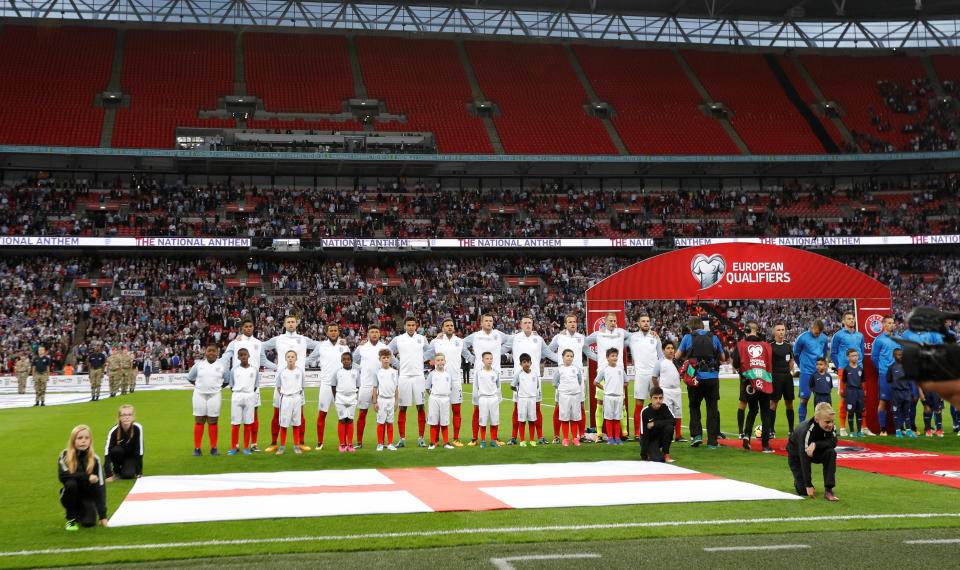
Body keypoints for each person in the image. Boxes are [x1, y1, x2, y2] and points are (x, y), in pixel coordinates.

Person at [262, 315, 321, 452]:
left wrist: (305, 361)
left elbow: (319, 345)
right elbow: (259, 346)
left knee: (300, 415)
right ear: (284, 324)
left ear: (296, 324)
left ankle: (300, 442)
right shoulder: (278, 339)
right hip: (281, 382)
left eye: (293, 322)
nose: (290, 324)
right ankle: (273, 443)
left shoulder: (303, 339)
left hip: (297, 383)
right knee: (276, 414)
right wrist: (272, 365)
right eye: (288, 322)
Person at [219, 317, 276, 452]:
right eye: (246, 327)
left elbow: (264, 361)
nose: (248, 329)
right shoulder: (235, 343)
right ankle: (236, 446)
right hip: (238, 386)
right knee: (237, 418)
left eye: (250, 326)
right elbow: (225, 358)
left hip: (253, 385)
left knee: (254, 415)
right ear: (242, 329)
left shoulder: (258, 343)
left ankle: (253, 444)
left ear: (253, 328)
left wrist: (279, 367)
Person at [506, 316, 558, 445]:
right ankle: (514, 437)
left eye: (530, 323)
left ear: (533, 325)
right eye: (525, 323)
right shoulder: (514, 338)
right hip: (520, 380)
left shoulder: (538, 339)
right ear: (520, 325)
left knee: (537, 409)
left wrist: (563, 361)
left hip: (535, 379)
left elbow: (548, 353)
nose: (528, 325)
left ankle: (540, 437)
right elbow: (501, 346)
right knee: (517, 410)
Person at [676, 317, 725, 448]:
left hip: (695, 378)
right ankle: (712, 442)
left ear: (691, 327)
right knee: (712, 409)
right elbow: (723, 357)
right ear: (702, 326)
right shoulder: (713, 337)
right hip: (712, 377)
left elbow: (677, 356)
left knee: (694, 407)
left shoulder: (687, 337)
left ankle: (696, 436)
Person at [463, 314, 511, 446]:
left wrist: (501, 351)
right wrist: (472, 359)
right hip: (480, 375)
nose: (489, 323)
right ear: (481, 323)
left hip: (495, 374)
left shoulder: (498, 334)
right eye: (486, 321)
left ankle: (494, 437)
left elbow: (512, 340)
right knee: (477, 407)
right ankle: (475, 437)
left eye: (491, 320)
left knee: (494, 408)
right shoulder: (475, 336)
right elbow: (461, 345)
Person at [389, 316, 435, 448]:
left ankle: (421, 438)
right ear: (404, 326)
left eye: (413, 325)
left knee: (420, 406)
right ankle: (402, 439)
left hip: (419, 377)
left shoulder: (421, 339)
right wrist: (397, 363)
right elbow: (388, 351)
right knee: (403, 407)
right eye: (408, 325)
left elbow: (431, 352)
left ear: (416, 326)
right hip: (404, 376)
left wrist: (422, 358)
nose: (410, 327)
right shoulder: (398, 339)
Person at [731, 320, 774, 453]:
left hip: (749, 382)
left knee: (752, 410)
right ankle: (765, 445)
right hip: (765, 380)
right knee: (765, 413)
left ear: (746, 330)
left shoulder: (741, 345)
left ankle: (747, 435)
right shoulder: (767, 346)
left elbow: (736, 363)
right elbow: (769, 364)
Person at [308, 322, 350, 451]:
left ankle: (343, 443)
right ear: (326, 332)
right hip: (326, 385)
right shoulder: (321, 346)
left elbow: (350, 365)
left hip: (341, 387)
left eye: (335, 330)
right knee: (322, 414)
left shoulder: (345, 347)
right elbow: (310, 359)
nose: (333, 332)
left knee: (343, 416)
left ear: (338, 332)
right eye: (330, 330)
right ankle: (320, 442)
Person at [430, 319, 472, 446]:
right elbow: (426, 353)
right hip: (440, 380)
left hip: (455, 380)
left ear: (454, 328)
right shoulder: (436, 342)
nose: (449, 327)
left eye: (451, 325)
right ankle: (436, 440)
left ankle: (455, 438)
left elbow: (468, 355)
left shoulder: (459, 342)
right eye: (447, 325)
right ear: (442, 327)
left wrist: (481, 363)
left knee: (456, 410)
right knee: (437, 412)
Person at [584, 312, 627, 436]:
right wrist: (597, 357)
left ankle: (624, 433)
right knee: (600, 403)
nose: (613, 323)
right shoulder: (598, 334)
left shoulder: (621, 332)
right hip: (603, 371)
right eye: (610, 321)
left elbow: (634, 337)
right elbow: (584, 343)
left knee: (621, 403)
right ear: (605, 322)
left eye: (615, 321)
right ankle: (599, 433)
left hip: (619, 371)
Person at [59, 424, 109, 530]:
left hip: (87, 495)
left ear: (90, 441)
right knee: (71, 483)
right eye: (80, 438)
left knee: (89, 523)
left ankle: (81, 512)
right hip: (70, 492)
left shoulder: (95, 459)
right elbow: (63, 476)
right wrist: (87, 477)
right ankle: (71, 518)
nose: (83, 441)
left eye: (87, 438)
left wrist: (103, 515)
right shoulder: (65, 455)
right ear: (73, 440)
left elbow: (100, 488)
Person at [786, 402, 839, 501]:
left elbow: (833, 442)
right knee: (803, 491)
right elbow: (804, 458)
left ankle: (829, 490)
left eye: (832, 421)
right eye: (827, 422)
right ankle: (799, 482)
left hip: (815, 450)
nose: (831, 425)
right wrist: (808, 484)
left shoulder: (832, 427)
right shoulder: (806, 431)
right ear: (816, 419)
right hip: (796, 454)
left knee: (831, 453)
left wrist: (815, 444)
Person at [354, 324, 396, 449]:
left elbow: (393, 361)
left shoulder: (384, 347)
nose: (374, 334)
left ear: (379, 334)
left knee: (384, 416)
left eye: (376, 332)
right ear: (368, 334)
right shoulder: (361, 348)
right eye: (372, 332)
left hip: (382, 387)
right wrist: (360, 369)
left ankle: (382, 443)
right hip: (366, 385)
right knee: (362, 413)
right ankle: (359, 442)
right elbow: (351, 360)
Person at [548, 314, 586, 443]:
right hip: (563, 376)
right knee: (559, 406)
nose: (572, 324)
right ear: (565, 324)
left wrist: (601, 360)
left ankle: (581, 435)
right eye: (569, 322)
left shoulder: (581, 338)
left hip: (577, 375)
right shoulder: (559, 337)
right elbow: (548, 351)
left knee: (580, 405)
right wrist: (560, 360)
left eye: (574, 322)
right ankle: (557, 436)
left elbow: (588, 352)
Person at [186, 344, 229, 456]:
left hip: (215, 395)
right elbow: (190, 378)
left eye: (213, 351)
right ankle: (197, 448)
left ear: (217, 353)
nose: (211, 353)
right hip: (199, 394)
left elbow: (227, 380)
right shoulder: (198, 365)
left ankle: (213, 448)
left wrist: (216, 387)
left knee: (213, 421)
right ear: (205, 352)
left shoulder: (222, 365)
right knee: (199, 420)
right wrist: (200, 386)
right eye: (209, 351)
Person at [627, 314, 663, 440]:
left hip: (653, 375)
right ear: (638, 323)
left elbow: (661, 357)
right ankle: (637, 433)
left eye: (648, 321)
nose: (646, 323)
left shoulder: (655, 337)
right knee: (639, 403)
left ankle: (656, 431)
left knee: (657, 403)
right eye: (643, 321)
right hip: (640, 374)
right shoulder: (632, 337)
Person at [831, 312, 865, 436]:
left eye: (853, 319)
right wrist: (840, 365)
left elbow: (861, 350)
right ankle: (843, 428)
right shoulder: (838, 335)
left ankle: (863, 428)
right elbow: (833, 352)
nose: (852, 321)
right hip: (843, 370)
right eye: (849, 319)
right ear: (844, 321)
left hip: (859, 370)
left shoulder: (860, 335)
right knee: (844, 397)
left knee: (862, 397)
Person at [793, 320, 830, 424]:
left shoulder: (823, 338)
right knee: (804, 399)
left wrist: (823, 367)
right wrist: (801, 366)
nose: (818, 335)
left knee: (821, 401)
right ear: (811, 327)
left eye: (820, 333)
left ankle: (820, 424)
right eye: (816, 332)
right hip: (806, 373)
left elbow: (823, 354)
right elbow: (796, 353)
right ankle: (801, 425)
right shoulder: (802, 338)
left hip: (819, 373)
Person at [871, 315, 902, 436]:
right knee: (883, 401)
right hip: (884, 374)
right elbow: (874, 357)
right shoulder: (879, 340)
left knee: (900, 401)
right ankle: (883, 428)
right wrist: (882, 369)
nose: (892, 325)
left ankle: (900, 428)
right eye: (889, 323)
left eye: (893, 323)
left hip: (898, 375)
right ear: (883, 324)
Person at [226, 348, 259, 455]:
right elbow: (231, 385)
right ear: (238, 357)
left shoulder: (254, 370)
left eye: (245, 354)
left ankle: (245, 447)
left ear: (249, 355)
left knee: (248, 423)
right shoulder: (234, 370)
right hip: (237, 396)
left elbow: (255, 385)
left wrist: (248, 393)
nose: (243, 356)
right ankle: (234, 447)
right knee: (235, 423)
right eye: (241, 355)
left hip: (249, 396)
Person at [275, 350, 306, 455]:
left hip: (297, 399)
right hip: (285, 399)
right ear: (285, 359)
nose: (290, 358)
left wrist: (295, 395)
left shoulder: (300, 372)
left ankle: (296, 446)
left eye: (293, 356)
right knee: (283, 424)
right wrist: (286, 395)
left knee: (296, 423)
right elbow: (278, 387)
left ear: (296, 358)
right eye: (288, 356)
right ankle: (282, 447)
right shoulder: (282, 372)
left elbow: (302, 386)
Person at [652, 340, 684, 442]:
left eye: (672, 348)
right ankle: (667, 435)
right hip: (665, 391)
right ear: (663, 350)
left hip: (677, 390)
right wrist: (659, 389)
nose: (670, 350)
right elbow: (654, 377)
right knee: (667, 414)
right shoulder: (660, 362)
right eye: (668, 348)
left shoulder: (677, 361)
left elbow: (682, 375)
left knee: (678, 413)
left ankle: (678, 435)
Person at [595, 347, 628, 445]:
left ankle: (617, 437)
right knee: (609, 418)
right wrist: (605, 388)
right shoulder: (605, 370)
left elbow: (626, 383)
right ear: (607, 358)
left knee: (617, 418)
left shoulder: (620, 370)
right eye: (612, 356)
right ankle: (610, 438)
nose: (615, 358)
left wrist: (618, 386)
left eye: (616, 356)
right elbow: (595, 382)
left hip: (618, 396)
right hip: (608, 396)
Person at [552, 348, 584, 447]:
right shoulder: (559, 370)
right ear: (563, 357)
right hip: (564, 396)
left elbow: (579, 380)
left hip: (575, 395)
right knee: (565, 417)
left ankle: (575, 438)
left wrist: (573, 388)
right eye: (567, 356)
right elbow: (555, 383)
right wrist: (564, 389)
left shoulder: (576, 369)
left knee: (575, 417)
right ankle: (566, 438)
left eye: (571, 356)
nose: (569, 358)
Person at [769, 323, 796, 437]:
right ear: (774, 332)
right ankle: (771, 430)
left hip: (787, 377)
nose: (781, 332)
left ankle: (791, 430)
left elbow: (791, 360)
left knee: (789, 403)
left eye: (783, 330)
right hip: (775, 377)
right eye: (779, 330)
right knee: (774, 403)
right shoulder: (770, 346)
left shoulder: (788, 346)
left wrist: (787, 370)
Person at [104, 405, 143, 481]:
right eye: (124, 415)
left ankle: (126, 468)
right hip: (118, 455)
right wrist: (108, 474)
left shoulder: (138, 428)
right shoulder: (113, 431)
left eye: (129, 415)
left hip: (130, 457)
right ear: (119, 417)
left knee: (128, 475)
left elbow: (139, 450)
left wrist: (139, 471)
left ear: (133, 416)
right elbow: (107, 452)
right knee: (116, 450)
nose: (127, 417)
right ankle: (116, 470)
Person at [331, 352, 360, 452]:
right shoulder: (337, 372)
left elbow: (358, 386)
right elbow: (333, 385)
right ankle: (342, 444)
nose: (346, 361)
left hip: (352, 399)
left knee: (350, 420)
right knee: (342, 419)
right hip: (340, 399)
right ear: (341, 361)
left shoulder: (356, 372)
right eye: (344, 359)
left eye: (348, 359)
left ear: (351, 360)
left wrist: (353, 395)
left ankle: (350, 444)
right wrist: (336, 398)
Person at [425, 354, 454, 449]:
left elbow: (450, 387)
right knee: (433, 421)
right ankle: (432, 443)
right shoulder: (432, 374)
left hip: (445, 399)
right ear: (435, 362)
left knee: (445, 421)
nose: (440, 362)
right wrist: (434, 396)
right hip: (434, 399)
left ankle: (446, 443)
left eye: (442, 360)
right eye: (438, 360)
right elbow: (427, 388)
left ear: (445, 361)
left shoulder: (448, 374)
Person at [510, 353, 540, 447]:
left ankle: (532, 440)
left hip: (532, 399)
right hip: (522, 400)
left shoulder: (534, 374)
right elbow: (512, 386)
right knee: (522, 420)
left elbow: (537, 385)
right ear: (520, 364)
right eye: (524, 362)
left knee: (532, 420)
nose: (526, 364)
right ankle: (522, 440)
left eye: (528, 362)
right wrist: (520, 391)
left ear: (531, 363)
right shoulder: (518, 374)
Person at [475, 351, 502, 448]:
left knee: (494, 421)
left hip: (493, 398)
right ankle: (482, 441)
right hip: (483, 399)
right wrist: (476, 399)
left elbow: (498, 386)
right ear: (482, 360)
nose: (489, 360)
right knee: (483, 421)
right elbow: (476, 386)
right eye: (487, 358)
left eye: (491, 358)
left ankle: (493, 440)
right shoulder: (479, 373)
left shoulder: (495, 372)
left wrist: (498, 399)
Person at [640, 388, 675, 462]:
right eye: (655, 398)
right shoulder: (645, 412)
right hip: (650, 440)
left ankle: (665, 454)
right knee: (659, 459)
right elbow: (643, 434)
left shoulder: (665, 408)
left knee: (670, 427)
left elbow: (673, 421)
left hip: (660, 438)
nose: (658, 401)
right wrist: (644, 456)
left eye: (660, 398)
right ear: (651, 399)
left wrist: (655, 423)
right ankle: (650, 453)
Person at [888, 348, 916, 438]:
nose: (901, 356)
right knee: (896, 412)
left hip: (906, 393)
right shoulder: (891, 367)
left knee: (907, 412)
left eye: (902, 355)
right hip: (896, 393)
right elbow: (888, 380)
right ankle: (898, 431)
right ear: (894, 356)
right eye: (898, 355)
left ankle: (908, 431)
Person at [375, 348, 399, 451]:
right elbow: (375, 387)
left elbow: (396, 387)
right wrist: (375, 402)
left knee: (390, 422)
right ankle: (380, 443)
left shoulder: (394, 372)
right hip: (381, 399)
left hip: (391, 400)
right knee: (381, 422)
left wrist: (397, 401)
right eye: (383, 358)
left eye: (387, 358)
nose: (386, 360)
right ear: (380, 359)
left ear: (390, 359)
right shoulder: (377, 372)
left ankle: (390, 443)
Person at [840, 349, 866, 437]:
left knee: (859, 412)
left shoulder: (860, 369)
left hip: (859, 392)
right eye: (853, 355)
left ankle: (859, 431)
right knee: (850, 412)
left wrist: (863, 393)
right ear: (848, 357)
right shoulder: (846, 369)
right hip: (850, 392)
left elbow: (862, 381)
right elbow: (844, 382)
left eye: (856, 355)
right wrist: (845, 394)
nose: (855, 357)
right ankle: (852, 432)